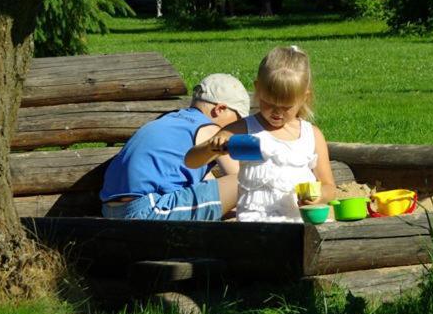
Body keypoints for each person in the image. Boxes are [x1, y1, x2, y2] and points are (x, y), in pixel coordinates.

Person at [185, 45, 336, 222]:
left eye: (286, 107)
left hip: (299, 227)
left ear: (304, 97)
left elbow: (330, 187)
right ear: (257, 89)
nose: (277, 113)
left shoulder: (311, 135)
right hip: (255, 227)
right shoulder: (243, 129)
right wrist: (211, 148)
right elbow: (191, 161)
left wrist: (320, 196)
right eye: (268, 103)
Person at [99, 73, 251, 220]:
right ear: (220, 109)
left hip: (111, 210)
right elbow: (240, 176)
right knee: (251, 178)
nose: (235, 129)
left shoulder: (172, 120)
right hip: (149, 209)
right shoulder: (210, 129)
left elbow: (206, 184)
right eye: (237, 121)